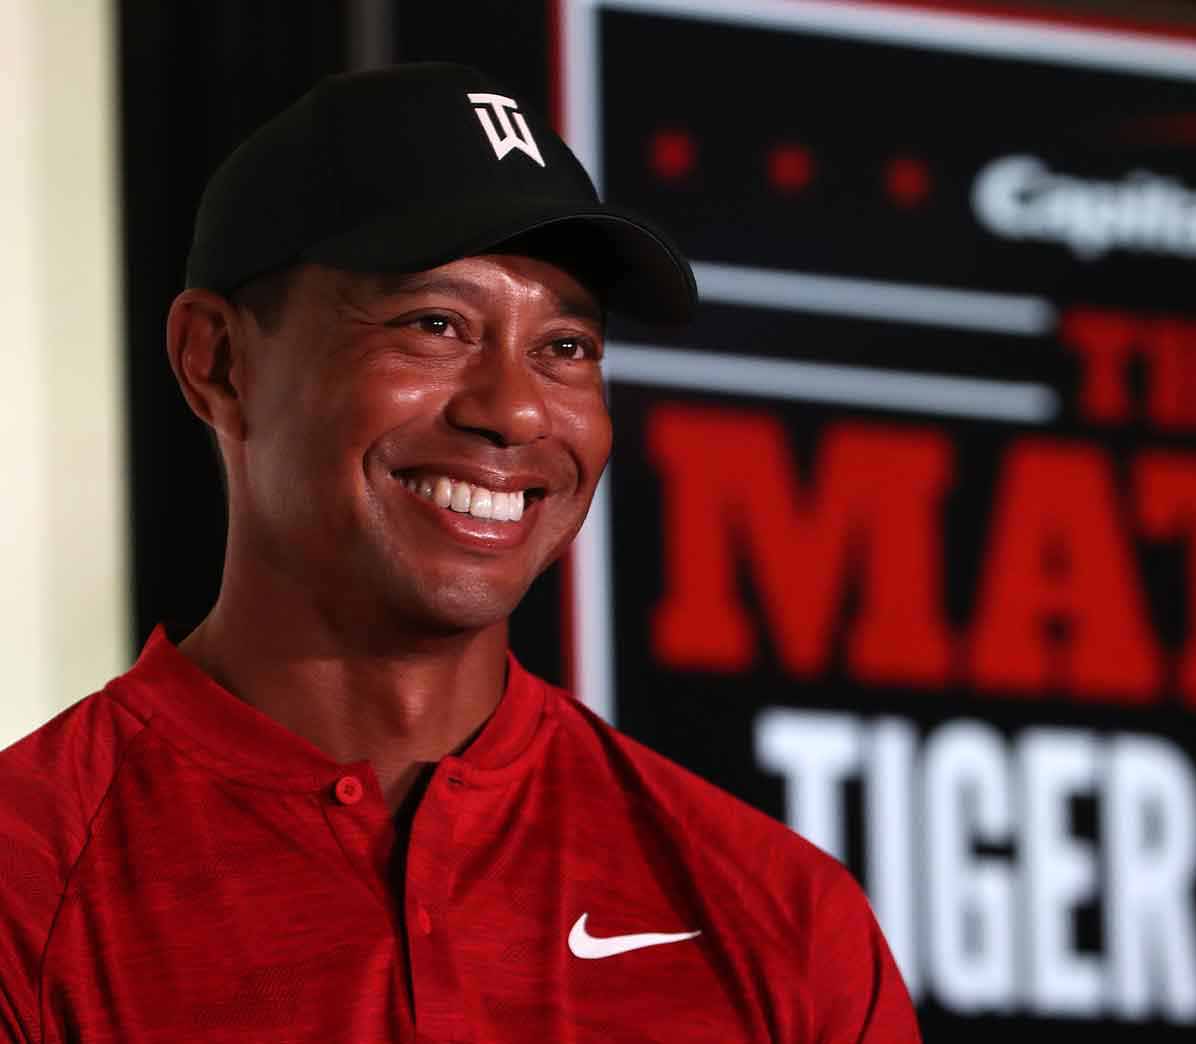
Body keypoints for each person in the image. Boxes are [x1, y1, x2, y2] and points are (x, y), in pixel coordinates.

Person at [0, 63, 919, 1042]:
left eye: (565, 347)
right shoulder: (28, 881)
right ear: (217, 361)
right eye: (432, 325)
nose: (514, 407)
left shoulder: (778, 913)